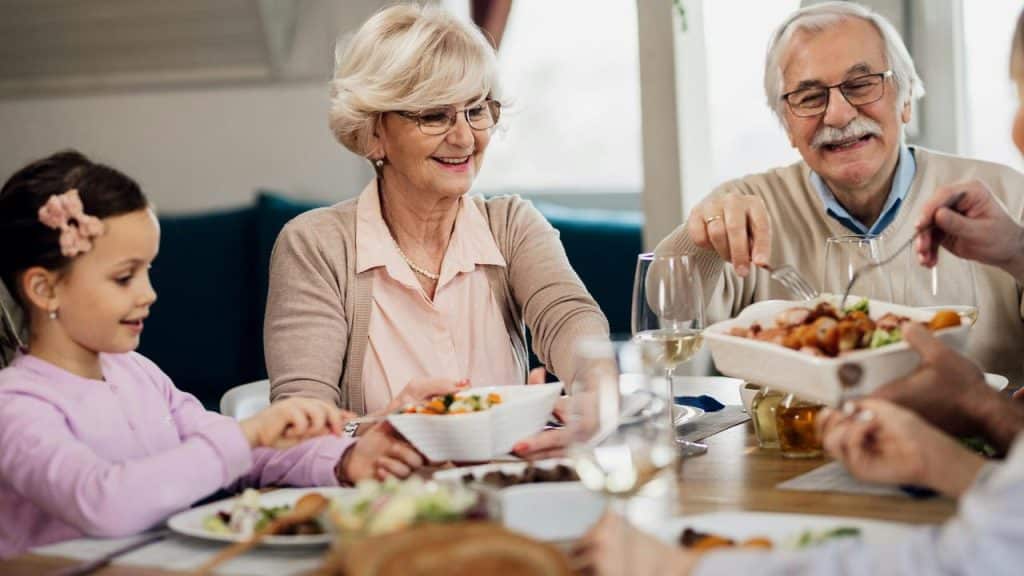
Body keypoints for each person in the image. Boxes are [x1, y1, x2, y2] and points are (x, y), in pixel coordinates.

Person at [0, 151, 424, 558]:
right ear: (45, 288)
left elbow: (239, 456)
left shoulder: (136, 373)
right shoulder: (16, 406)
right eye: (124, 277)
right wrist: (247, 434)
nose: (148, 294)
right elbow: (103, 502)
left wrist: (347, 459)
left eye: (148, 272)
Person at [264, 4, 608, 456]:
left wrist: (598, 389)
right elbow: (299, 428)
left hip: (511, 493)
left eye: (475, 110)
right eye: (434, 115)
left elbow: (568, 316)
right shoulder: (315, 246)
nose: (465, 138)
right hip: (385, 508)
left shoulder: (512, 225)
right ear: (374, 132)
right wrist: (383, 427)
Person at [656, 1, 1024, 385]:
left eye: (862, 85)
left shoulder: (1005, 196)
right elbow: (669, 306)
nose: (838, 115)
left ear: (906, 100)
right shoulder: (746, 209)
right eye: (810, 97)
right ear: (786, 127)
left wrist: (1018, 247)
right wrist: (699, 240)